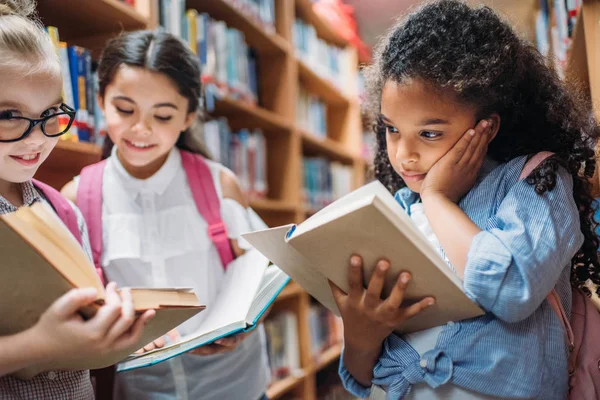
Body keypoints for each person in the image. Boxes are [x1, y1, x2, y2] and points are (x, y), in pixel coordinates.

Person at [331, 1, 600, 398]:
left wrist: (439, 200)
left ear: (485, 127)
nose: (404, 154)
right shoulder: (402, 210)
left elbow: (512, 288)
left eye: (429, 133)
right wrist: (360, 336)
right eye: (391, 129)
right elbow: (361, 380)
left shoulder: (536, 182)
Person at [61, 29, 271, 400]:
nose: (140, 129)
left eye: (162, 115)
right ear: (99, 100)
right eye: (124, 110)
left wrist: (245, 324)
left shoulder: (219, 184)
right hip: (141, 384)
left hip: (234, 379)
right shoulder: (78, 197)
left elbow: (259, 275)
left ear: (189, 116)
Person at [0, 1, 154, 398]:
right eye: (8, 115)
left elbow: (87, 330)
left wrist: (119, 330)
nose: (36, 138)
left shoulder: (63, 211)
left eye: (50, 114)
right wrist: (41, 344)